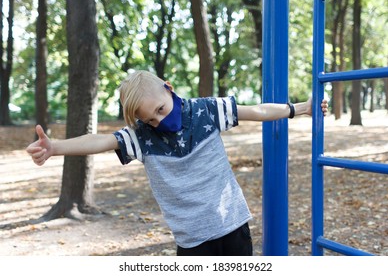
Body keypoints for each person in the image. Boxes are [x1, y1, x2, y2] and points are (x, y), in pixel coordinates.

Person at [26, 70, 328, 256]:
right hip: (192, 239)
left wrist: (300, 108)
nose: (158, 120)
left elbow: (258, 111)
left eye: (160, 109)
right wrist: (56, 147)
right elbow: (101, 140)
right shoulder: (143, 137)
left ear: (169, 89)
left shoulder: (207, 111)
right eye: (150, 118)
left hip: (232, 225)